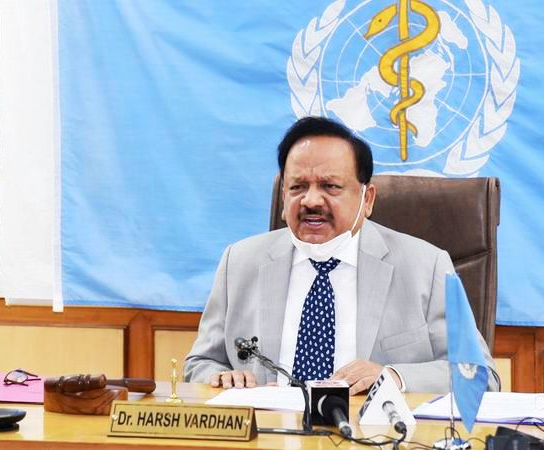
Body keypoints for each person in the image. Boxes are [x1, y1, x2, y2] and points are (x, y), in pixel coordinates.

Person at [184, 116, 498, 394]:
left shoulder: (426, 267)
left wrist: (393, 377)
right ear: (283, 197)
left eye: (330, 186)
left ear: (367, 199)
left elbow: (479, 375)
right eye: (297, 187)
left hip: (375, 434)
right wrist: (222, 377)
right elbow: (201, 363)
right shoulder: (239, 262)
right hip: (269, 432)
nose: (311, 201)